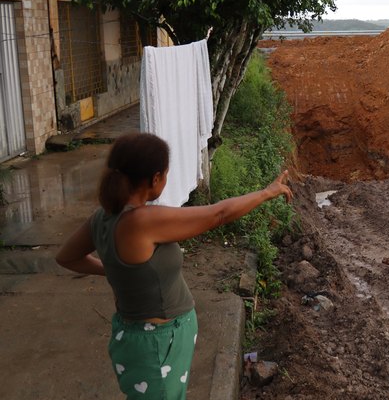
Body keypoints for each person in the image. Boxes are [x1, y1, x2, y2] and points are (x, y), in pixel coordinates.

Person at [55, 133, 292, 399]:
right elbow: (219, 213)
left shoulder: (103, 217)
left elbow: (66, 257)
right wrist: (267, 192)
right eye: (166, 174)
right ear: (155, 179)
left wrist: (115, 270)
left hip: (135, 337)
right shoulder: (142, 221)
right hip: (158, 343)